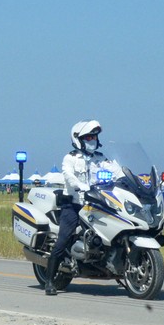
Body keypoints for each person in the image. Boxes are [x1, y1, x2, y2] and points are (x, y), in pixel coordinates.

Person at [43, 120, 118, 296]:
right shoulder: (70, 158)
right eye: (89, 137)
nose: (92, 140)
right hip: (74, 204)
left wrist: (133, 178)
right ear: (78, 139)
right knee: (63, 239)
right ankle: (49, 281)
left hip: (96, 203)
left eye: (94, 136)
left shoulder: (101, 158)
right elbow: (68, 175)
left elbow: (116, 170)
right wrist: (79, 185)